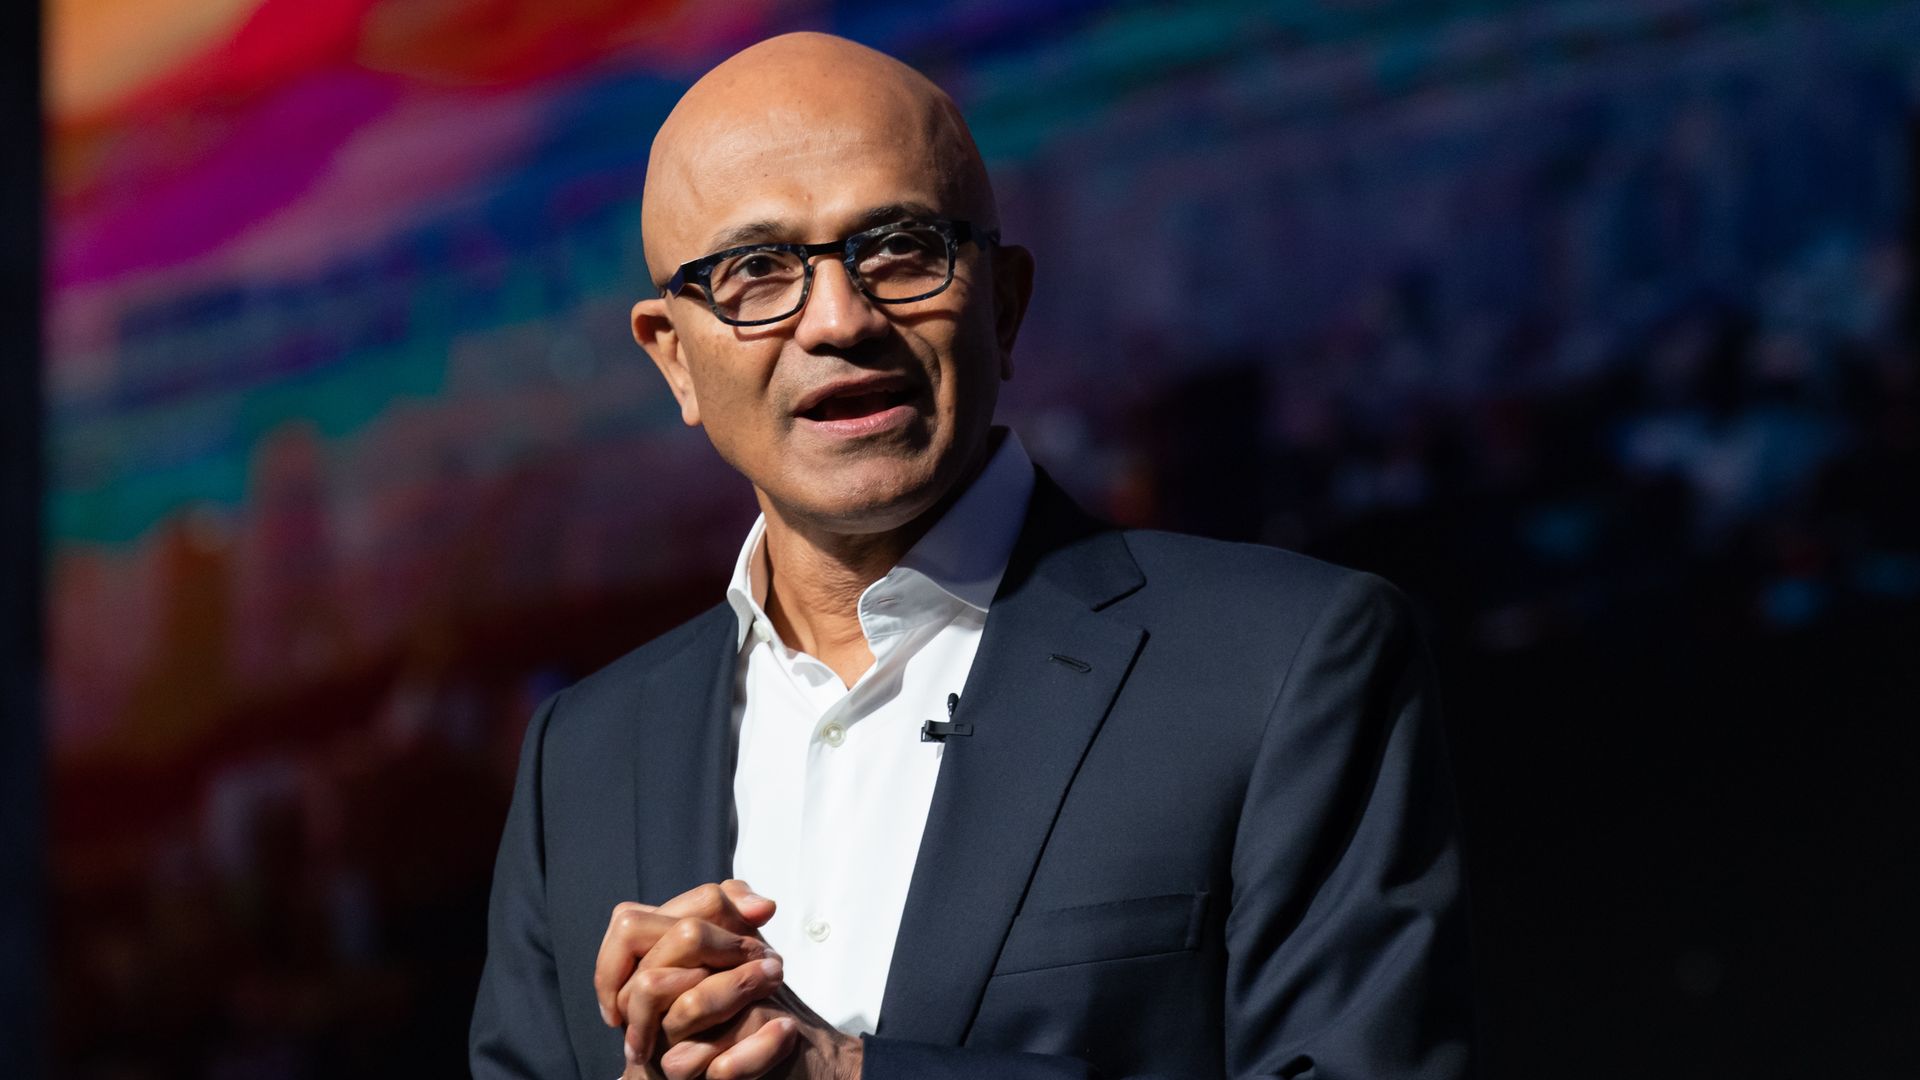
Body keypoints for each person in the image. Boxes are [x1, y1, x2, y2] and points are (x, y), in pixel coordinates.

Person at [470, 31, 1473, 1080]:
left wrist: (851, 1075)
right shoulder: (580, 760)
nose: (839, 320)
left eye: (898, 248)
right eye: (756, 271)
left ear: (1003, 304)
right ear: (673, 356)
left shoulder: (1284, 666)